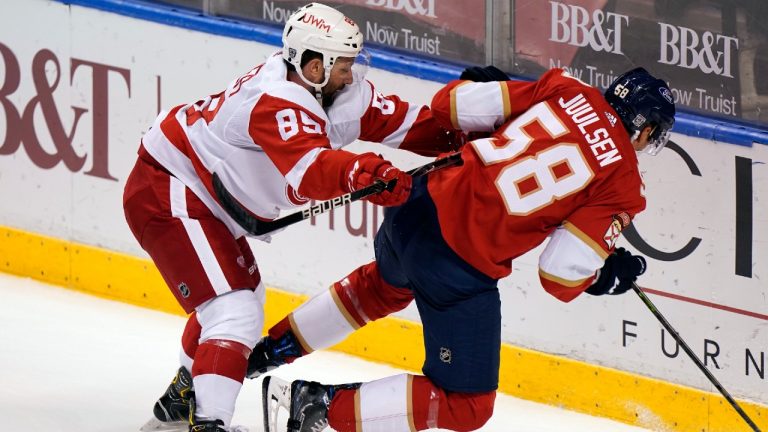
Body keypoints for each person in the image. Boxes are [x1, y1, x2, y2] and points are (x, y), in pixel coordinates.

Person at [247, 65, 676, 432]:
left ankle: (266, 352)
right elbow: (560, 275)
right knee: (468, 405)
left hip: (414, 206)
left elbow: (448, 106)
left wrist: (495, 94)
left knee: (382, 287)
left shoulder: (564, 87)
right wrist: (603, 274)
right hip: (456, 262)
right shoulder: (624, 183)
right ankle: (316, 405)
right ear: (647, 130)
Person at [122, 3, 463, 431]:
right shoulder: (275, 100)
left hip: (207, 200)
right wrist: (362, 171)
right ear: (314, 66)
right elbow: (312, 171)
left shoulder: (334, 90)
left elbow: (413, 125)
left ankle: (182, 402)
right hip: (170, 187)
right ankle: (207, 422)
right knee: (233, 311)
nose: (351, 75)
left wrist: (481, 132)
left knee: (243, 302)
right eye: (344, 66)